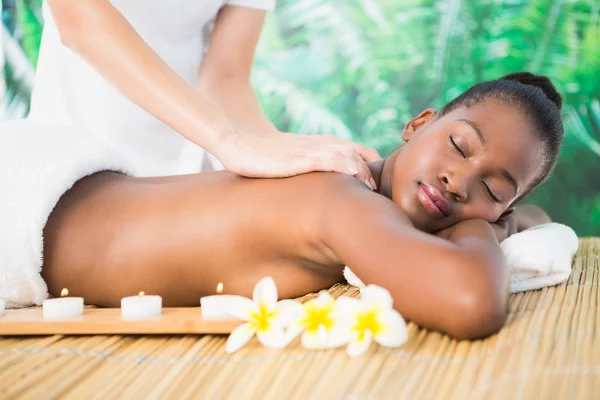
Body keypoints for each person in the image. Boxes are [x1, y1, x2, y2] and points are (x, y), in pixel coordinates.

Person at [41, 73, 562, 340]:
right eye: (459, 146)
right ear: (419, 124)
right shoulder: (341, 195)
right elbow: (471, 302)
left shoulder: (368, 199)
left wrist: (497, 219)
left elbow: (537, 222)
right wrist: (481, 228)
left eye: (493, 191)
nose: (458, 182)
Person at [29, 0, 380, 186]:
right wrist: (229, 140)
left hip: (188, 160)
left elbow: (225, 77)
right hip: (77, 150)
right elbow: (79, 20)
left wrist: (273, 143)